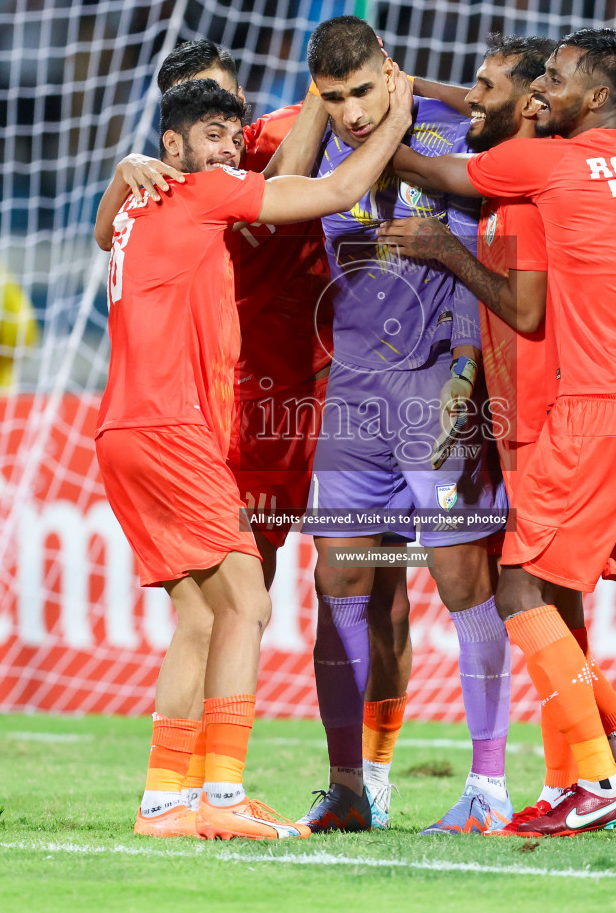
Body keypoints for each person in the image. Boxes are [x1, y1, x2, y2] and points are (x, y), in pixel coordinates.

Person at [381, 29, 616, 839]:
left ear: (590, 96)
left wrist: (379, 115)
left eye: (551, 83)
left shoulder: (542, 171)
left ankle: (594, 779)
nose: (535, 96)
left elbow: (436, 169)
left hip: (583, 409)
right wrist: (422, 83)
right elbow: (496, 104)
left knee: (525, 591)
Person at [93, 75, 415, 840]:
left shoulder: (140, 202)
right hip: (174, 428)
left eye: (234, 135)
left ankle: (167, 800)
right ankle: (227, 794)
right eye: (212, 134)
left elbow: (104, 230)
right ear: (172, 144)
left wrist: (118, 175)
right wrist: (395, 114)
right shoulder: (201, 193)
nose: (231, 149)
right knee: (248, 603)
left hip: (124, 431)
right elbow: (336, 189)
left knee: (201, 616)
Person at [294, 16, 511, 836]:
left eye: (361, 91)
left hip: (439, 393)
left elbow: (498, 229)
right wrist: (324, 113)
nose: (351, 112)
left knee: (462, 584)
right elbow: (281, 187)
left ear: (391, 69)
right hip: (353, 400)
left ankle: (488, 789)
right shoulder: (322, 148)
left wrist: (466, 372)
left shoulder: (459, 132)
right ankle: (352, 785)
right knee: (340, 583)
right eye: (333, 98)